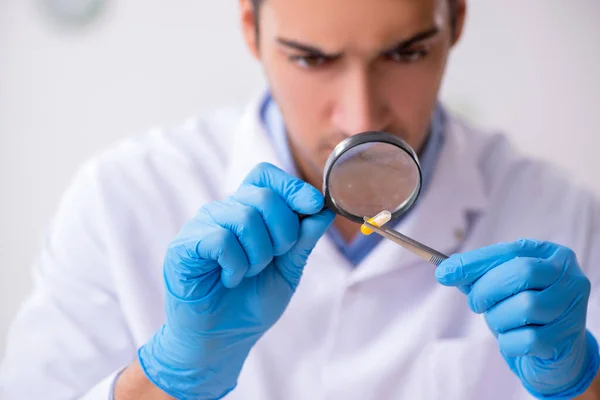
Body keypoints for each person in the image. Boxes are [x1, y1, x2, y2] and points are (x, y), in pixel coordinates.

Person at [1, 0, 599, 398]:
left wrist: (580, 383)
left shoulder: (561, 214)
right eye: (313, 59)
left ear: (457, 21)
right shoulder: (122, 198)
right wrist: (166, 379)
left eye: (406, 53)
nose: (361, 116)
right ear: (250, 30)